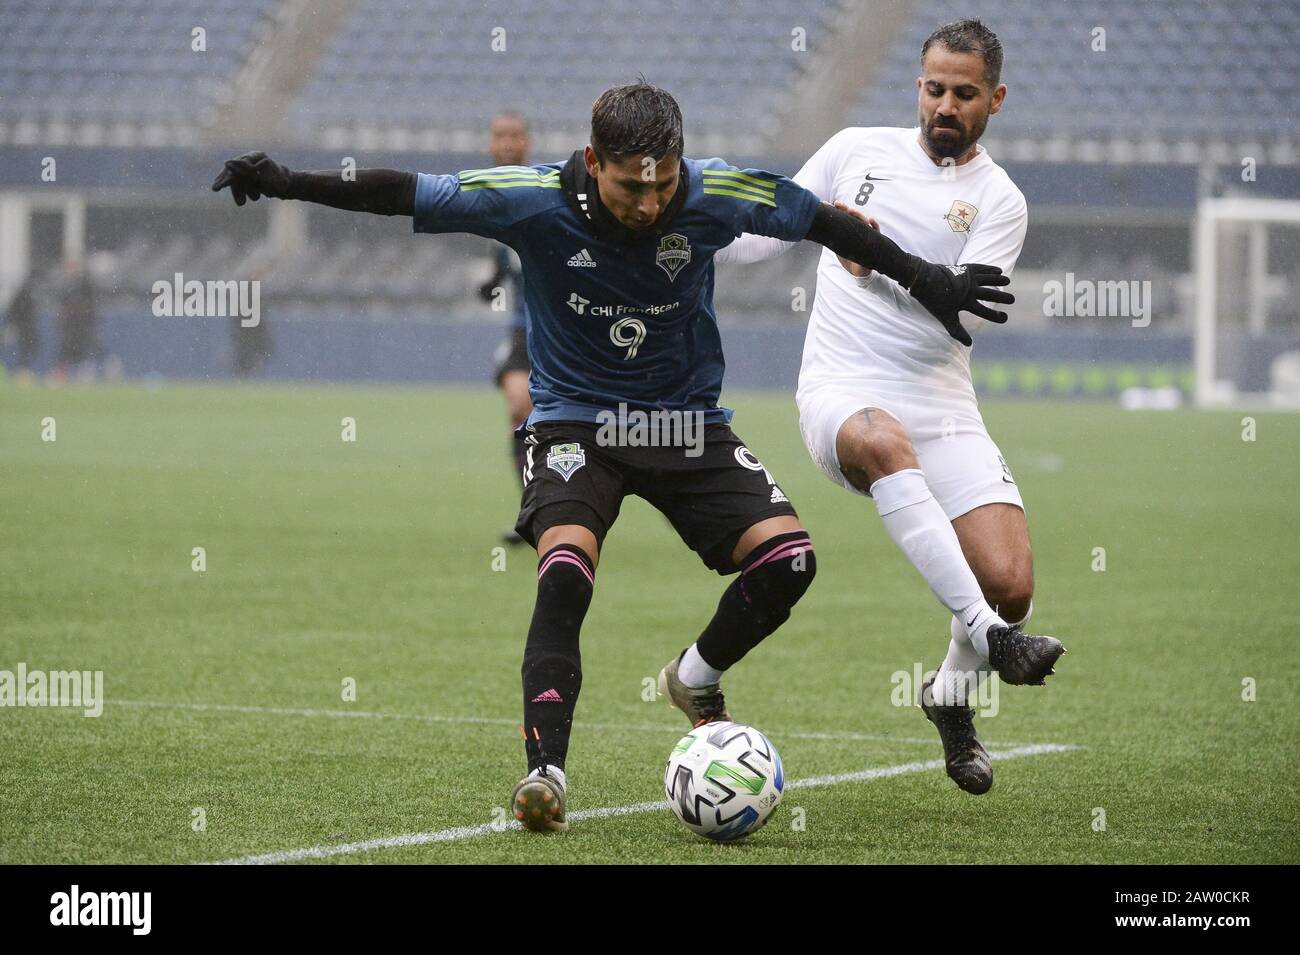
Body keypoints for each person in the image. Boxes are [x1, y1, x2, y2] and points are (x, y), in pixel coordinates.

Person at [211, 80, 1012, 831]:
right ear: (593, 163)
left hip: (684, 425)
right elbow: (400, 191)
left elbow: (821, 220)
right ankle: (545, 775)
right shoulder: (528, 200)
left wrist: (928, 280)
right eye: (634, 187)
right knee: (563, 573)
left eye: (665, 185)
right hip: (576, 426)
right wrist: (286, 181)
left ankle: (693, 677)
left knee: (790, 562)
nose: (653, 202)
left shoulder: (715, 192)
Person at [717, 20, 1064, 796]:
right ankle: (990, 638)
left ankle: (949, 694)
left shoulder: (1000, 201)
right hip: (843, 392)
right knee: (883, 441)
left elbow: (965, 316)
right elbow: (764, 237)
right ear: (918, 85)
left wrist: (866, 255)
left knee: (1011, 580)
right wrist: (693, 228)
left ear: (995, 100)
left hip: (941, 403)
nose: (945, 105)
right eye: (934, 88)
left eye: (964, 94)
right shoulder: (853, 151)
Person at [478, 111, 533, 544]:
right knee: (519, 407)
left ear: (526, 142)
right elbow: (506, 263)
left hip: (562, 332)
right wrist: (491, 283)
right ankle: (530, 514)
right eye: (500, 136)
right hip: (522, 332)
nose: (507, 143)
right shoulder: (490, 199)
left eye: (515, 135)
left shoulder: (539, 190)